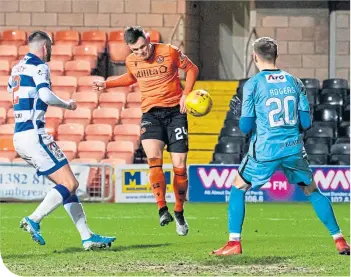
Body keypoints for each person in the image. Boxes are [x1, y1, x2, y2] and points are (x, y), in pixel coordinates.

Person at [212, 37, 350, 256]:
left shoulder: (254, 84)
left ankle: (234, 243)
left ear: (254, 57)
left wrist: (241, 115)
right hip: (293, 148)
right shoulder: (295, 82)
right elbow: (306, 124)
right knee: (312, 191)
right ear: (276, 56)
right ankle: (340, 239)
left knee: (238, 187)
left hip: (265, 150)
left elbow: (246, 127)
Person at [8, 31, 116, 250]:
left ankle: (87, 238)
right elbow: (45, 96)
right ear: (46, 48)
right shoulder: (40, 66)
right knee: (70, 183)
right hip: (34, 134)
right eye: (52, 48)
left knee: (66, 186)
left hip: (19, 135)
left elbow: (14, 91)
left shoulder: (16, 68)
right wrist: (67, 105)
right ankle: (34, 219)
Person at [93, 26, 199, 236]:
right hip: (151, 115)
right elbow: (132, 77)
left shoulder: (168, 51)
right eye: (135, 50)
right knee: (153, 157)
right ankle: (162, 208)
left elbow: (192, 69)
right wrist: (108, 84)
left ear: (148, 40)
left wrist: (186, 94)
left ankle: (179, 210)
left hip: (176, 113)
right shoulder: (132, 61)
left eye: (143, 47)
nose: (141, 52)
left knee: (179, 166)